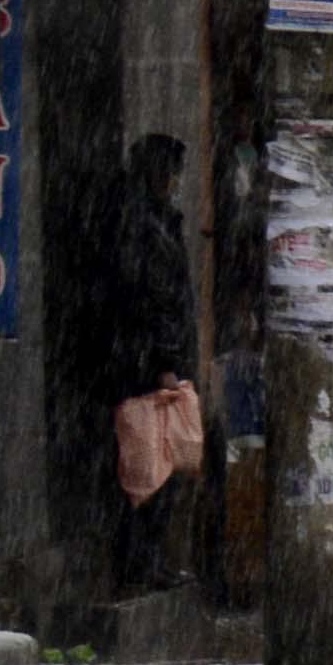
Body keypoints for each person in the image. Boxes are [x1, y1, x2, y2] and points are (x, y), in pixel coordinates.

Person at [102, 134, 202, 587]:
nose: (176, 182)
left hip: (149, 360)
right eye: (172, 172)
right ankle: (140, 563)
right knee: (148, 465)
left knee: (160, 461)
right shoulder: (139, 224)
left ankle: (149, 560)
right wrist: (165, 360)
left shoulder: (157, 220)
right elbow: (151, 297)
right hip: (144, 366)